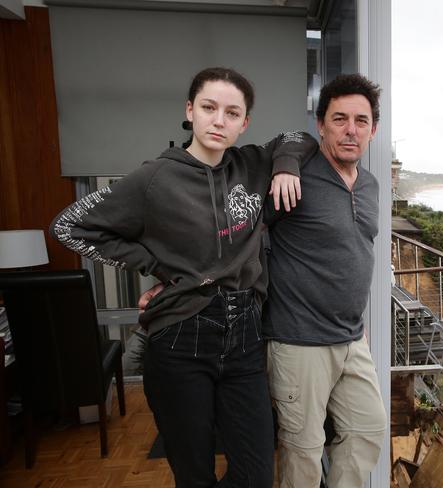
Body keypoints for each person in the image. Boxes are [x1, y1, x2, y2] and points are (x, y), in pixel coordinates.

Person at [50, 67, 318, 488]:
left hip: (245, 336)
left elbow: (298, 136)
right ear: (190, 110)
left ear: (244, 123)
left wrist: (285, 166)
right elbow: (70, 226)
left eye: (232, 113)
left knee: (256, 474)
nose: (219, 120)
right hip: (181, 337)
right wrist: (155, 264)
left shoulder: (251, 164)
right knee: (194, 475)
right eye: (209, 108)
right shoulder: (154, 178)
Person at [263, 73, 386, 488]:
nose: (351, 130)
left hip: (351, 339)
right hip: (299, 342)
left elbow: (356, 252)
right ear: (321, 125)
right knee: (303, 452)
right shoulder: (297, 173)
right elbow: (239, 235)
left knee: (368, 430)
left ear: (373, 129)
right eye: (339, 119)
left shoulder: (370, 185)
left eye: (361, 121)